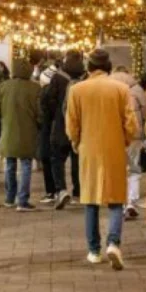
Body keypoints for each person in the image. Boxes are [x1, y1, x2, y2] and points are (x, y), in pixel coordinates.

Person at [66, 49, 138, 270]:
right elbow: (131, 124)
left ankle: (94, 250)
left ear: (89, 67)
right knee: (116, 199)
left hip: (88, 148)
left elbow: (72, 124)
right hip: (114, 148)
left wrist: (76, 143)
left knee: (90, 201)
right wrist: (124, 141)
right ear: (108, 67)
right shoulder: (121, 89)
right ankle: (113, 243)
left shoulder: (77, 90)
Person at [0, 58, 41, 211]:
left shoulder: (4, 86)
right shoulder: (35, 88)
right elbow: (40, 112)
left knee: (10, 164)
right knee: (26, 165)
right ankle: (23, 200)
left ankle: (9, 198)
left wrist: (6, 119)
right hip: (28, 132)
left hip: (8, 131)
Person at [48, 51, 86, 208]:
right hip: (80, 127)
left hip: (61, 126)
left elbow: (49, 100)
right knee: (77, 160)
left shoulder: (57, 77)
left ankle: (61, 190)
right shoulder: (86, 78)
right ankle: (78, 191)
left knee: (57, 159)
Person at [111, 66, 146, 220]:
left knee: (117, 168)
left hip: (113, 134)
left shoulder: (108, 87)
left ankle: (119, 201)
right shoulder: (137, 89)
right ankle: (131, 202)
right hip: (135, 134)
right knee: (133, 168)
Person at [38, 59, 63, 203]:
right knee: (56, 160)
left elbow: (41, 115)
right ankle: (60, 190)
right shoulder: (61, 92)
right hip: (57, 130)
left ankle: (52, 191)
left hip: (47, 131)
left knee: (48, 159)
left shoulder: (44, 95)